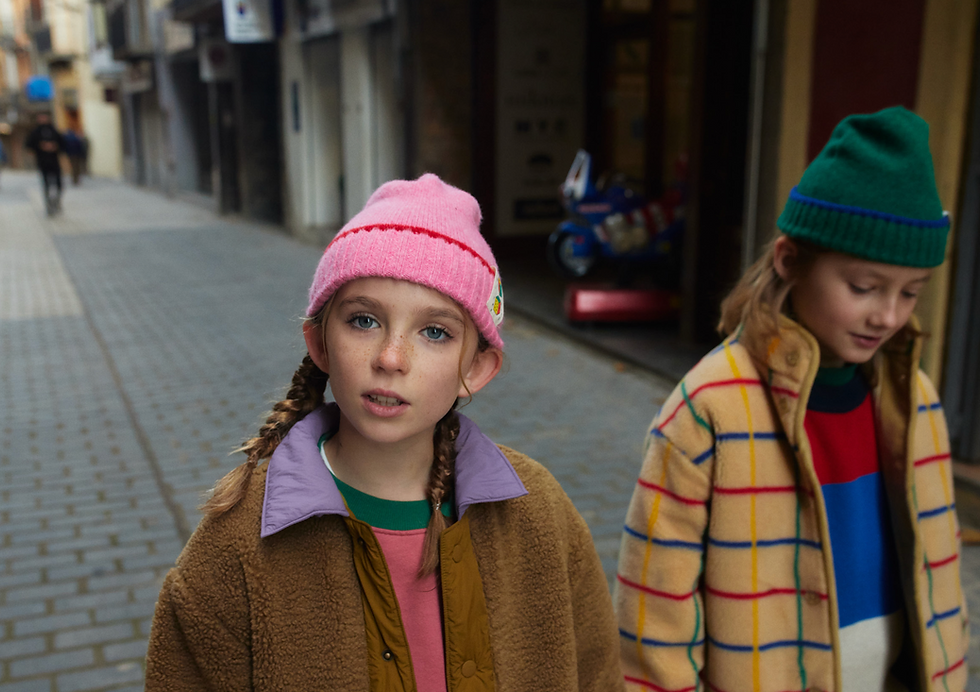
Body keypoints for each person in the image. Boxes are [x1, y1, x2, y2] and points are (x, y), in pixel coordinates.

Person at [144, 173, 624, 691]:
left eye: (435, 332)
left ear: (478, 369)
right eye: (364, 321)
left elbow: (597, 675)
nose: (391, 359)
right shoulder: (235, 544)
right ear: (320, 343)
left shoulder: (541, 516)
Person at [616, 106, 967, 692]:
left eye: (911, 293)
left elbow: (940, 575)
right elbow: (654, 618)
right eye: (863, 286)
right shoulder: (709, 409)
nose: (887, 315)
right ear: (789, 259)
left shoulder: (918, 404)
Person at [24, 112, 64, 211]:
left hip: (54, 161)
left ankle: (57, 201)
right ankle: (48, 204)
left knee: (59, 184)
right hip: (42, 161)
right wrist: (41, 147)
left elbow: (62, 143)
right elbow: (29, 146)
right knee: (46, 184)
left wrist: (54, 146)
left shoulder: (53, 130)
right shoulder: (35, 132)